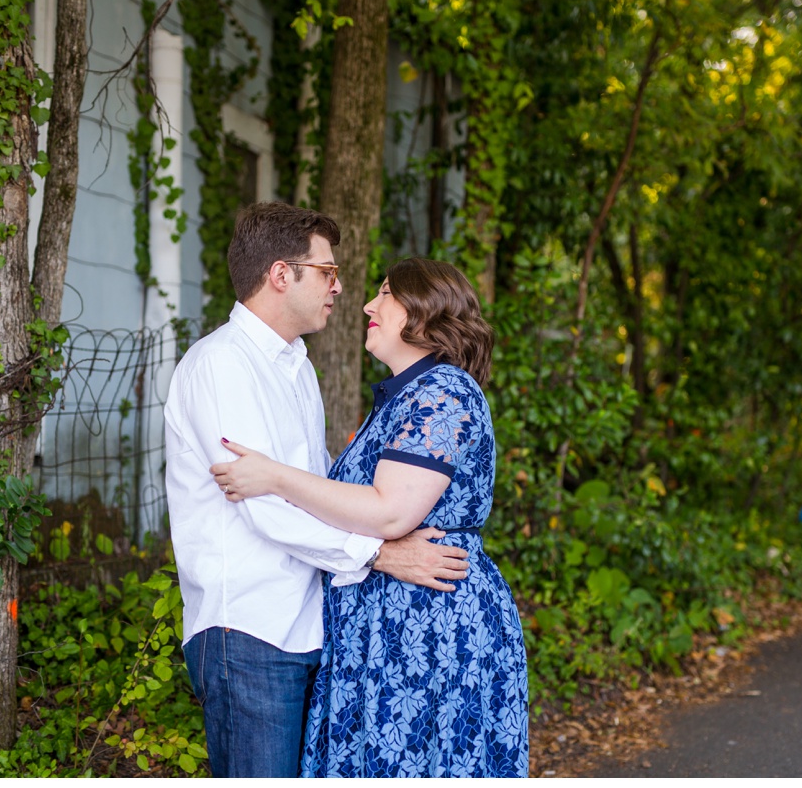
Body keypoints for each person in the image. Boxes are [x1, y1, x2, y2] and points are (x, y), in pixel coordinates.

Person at [164, 203, 472, 779]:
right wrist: (380, 553)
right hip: (248, 631)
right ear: (283, 275)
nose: (340, 288)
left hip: (309, 624)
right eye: (327, 272)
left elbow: (316, 487)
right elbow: (268, 510)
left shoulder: (296, 367)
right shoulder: (223, 365)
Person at [210, 257, 530, 777]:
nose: (366, 305)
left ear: (423, 313)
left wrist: (275, 476)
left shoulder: (443, 393)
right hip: (391, 620)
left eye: (385, 293)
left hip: (429, 625)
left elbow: (388, 512)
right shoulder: (405, 399)